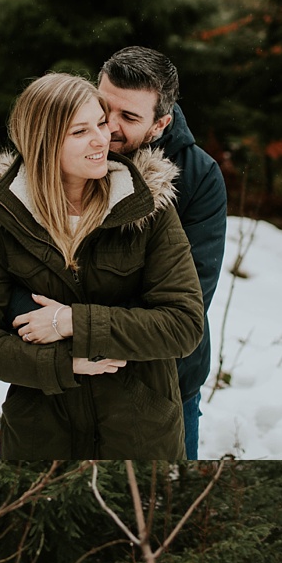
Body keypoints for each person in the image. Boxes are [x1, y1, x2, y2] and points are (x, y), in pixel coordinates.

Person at [0, 72, 204, 460]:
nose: (102, 139)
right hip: (41, 438)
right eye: (80, 131)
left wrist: (74, 322)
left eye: (101, 123)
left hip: (141, 435)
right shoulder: (2, 219)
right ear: (43, 143)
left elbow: (183, 325)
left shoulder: (148, 209)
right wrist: (64, 363)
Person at [97, 46, 227, 461]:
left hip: (164, 379)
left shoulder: (198, 176)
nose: (109, 127)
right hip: (69, 375)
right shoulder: (64, 150)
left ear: (160, 123)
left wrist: (85, 329)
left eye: (129, 118)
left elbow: (188, 293)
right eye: (103, 107)